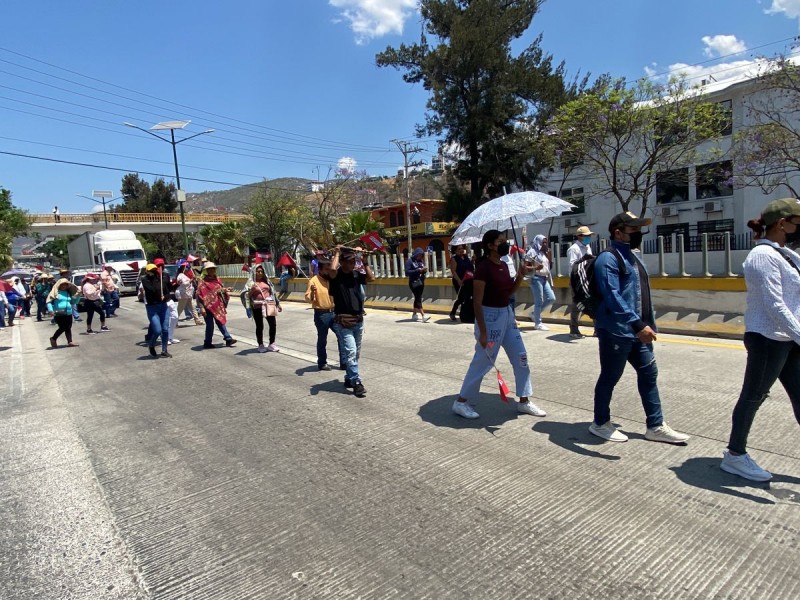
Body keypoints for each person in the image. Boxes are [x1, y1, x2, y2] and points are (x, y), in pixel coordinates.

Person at [590, 211, 689, 444]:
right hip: (617, 331)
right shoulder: (608, 259)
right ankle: (600, 423)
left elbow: (640, 295)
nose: (639, 233)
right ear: (618, 232)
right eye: (634, 229)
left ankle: (655, 425)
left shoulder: (634, 257)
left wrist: (646, 324)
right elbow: (612, 296)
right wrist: (636, 324)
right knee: (610, 377)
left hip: (638, 331)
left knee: (649, 374)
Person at [720, 199, 800, 481]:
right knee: (753, 396)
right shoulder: (761, 256)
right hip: (767, 338)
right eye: (798, 223)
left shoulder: (786, 255)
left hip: (789, 338)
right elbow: (774, 305)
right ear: (782, 224)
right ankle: (735, 455)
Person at [453, 230, 547, 419]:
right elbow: (477, 302)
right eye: (500, 241)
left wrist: (520, 275)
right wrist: (483, 332)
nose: (505, 244)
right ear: (489, 246)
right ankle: (461, 402)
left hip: (507, 315)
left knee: (521, 358)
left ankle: (524, 401)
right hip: (489, 317)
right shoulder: (483, 268)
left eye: (505, 241)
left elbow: (509, 292)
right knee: (483, 361)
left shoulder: (504, 265)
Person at [329, 247, 375, 397]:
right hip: (343, 321)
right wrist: (337, 252)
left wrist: (365, 262)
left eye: (353, 261)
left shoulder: (356, 275)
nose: (352, 264)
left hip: (358, 320)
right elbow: (331, 270)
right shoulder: (336, 277)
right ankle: (356, 382)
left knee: (355, 354)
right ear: (342, 262)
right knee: (351, 352)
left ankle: (349, 378)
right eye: (349, 261)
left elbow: (371, 278)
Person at [305, 258, 344, 370]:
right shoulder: (313, 281)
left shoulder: (332, 279)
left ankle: (344, 362)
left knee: (341, 336)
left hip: (334, 312)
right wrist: (312, 292)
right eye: (327, 269)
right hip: (321, 314)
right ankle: (322, 362)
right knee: (322, 339)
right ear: (320, 270)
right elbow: (308, 299)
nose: (329, 271)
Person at [196, 262, 237, 349]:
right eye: (209, 269)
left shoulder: (217, 280)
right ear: (206, 271)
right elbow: (198, 295)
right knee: (210, 325)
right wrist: (201, 308)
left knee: (220, 321)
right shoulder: (202, 282)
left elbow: (218, 290)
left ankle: (228, 338)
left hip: (217, 305)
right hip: (207, 307)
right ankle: (207, 342)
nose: (212, 270)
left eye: (213, 269)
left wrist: (226, 289)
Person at [245, 264, 282, 353]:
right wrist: (251, 292)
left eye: (261, 271)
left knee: (273, 324)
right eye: (258, 271)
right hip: (257, 306)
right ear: (254, 272)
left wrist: (277, 303)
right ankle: (260, 345)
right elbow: (246, 295)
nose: (260, 273)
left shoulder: (267, 282)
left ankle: (272, 344)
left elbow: (273, 292)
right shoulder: (250, 283)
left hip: (269, 305)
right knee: (260, 326)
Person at [140, 263, 174, 358]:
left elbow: (168, 292)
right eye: (151, 271)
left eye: (154, 270)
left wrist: (165, 296)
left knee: (165, 329)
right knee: (157, 330)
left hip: (163, 306)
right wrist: (158, 281)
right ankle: (151, 345)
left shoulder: (161, 279)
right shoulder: (144, 280)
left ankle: (164, 350)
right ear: (147, 271)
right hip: (152, 308)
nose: (153, 272)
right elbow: (151, 289)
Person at [567, 226, 594, 338]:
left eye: (589, 235)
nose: (589, 237)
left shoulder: (587, 247)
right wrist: (583, 259)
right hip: (577, 280)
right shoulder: (574, 249)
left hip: (587, 278)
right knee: (577, 304)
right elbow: (573, 265)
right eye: (586, 235)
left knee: (593, 302)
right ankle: (574, 329)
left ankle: (597, 329)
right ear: (579, 236)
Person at [525, 235, 555, 331]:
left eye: (546, 242)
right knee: (539, 301)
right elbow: (525, 267)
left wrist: (549, 255)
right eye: (543, 242)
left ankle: (534, 314)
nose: (545, 244)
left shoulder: (544, 252)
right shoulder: (532, 252)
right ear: (538, 242)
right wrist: (535, 268)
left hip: (544, 277)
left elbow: (550, 266)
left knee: (551, 298)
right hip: (536, 278)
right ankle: (538, 323)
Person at [47, 278, 79, 348]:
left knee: (68, 327)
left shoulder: (68, 293)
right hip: (59, 313)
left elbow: (73, 302)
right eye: (62, 285)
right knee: (62, 327)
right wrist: (51, 310)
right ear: (59, 285)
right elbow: (48, 302)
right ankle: (53, 338)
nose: (64, 286)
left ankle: (70, 341)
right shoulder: (55, 292)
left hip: (68, 312)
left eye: (65, 285)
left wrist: (77, 296)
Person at [449, 244, 474, 320]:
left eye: (462, 248)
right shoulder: (454, 259)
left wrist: (472, 260)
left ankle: (466, 312)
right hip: (459, 281)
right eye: (459, 249)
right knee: (461, 298)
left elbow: (470, 267)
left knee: (469, 297)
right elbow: (453, 271)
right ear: (455, 251)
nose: (461, 250)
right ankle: (453, 312)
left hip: (468, 280)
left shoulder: (465, 257)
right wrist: (459, 280)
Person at [405, 247, 430, 322]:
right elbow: (407, 272)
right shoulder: (410, 262)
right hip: (413, 282)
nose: (420, 256)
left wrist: (423, 271)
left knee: (417, 297)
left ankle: (414, 314)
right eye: (418, 255)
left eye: (421, 255)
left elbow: (422, 270)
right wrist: (417, 270)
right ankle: (423, 315)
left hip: (421, 282)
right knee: (418, 297)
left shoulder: (420, 261)